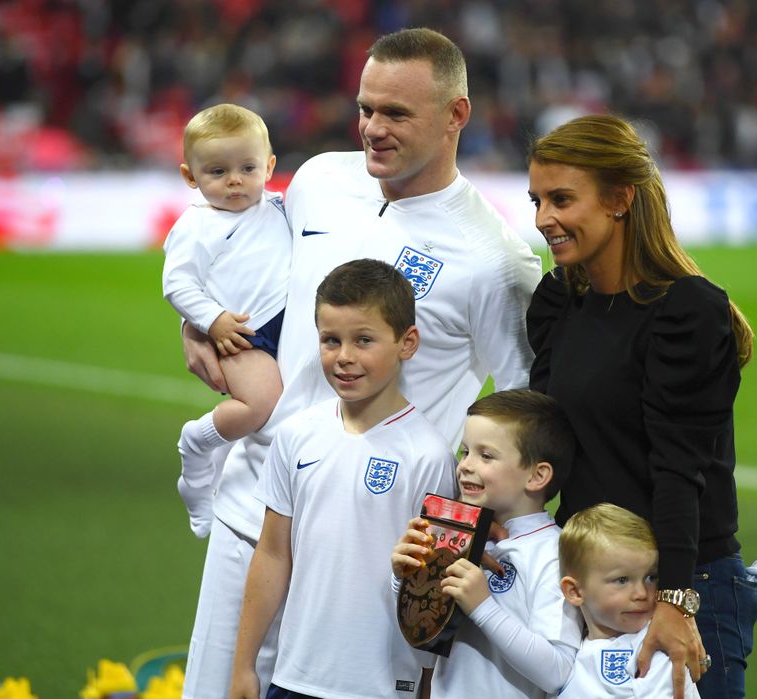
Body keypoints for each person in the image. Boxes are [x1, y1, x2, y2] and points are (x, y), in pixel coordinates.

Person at [180, 28, 541, 699]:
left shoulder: (495, 261)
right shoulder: (318, 180)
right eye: (365, 108)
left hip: (374, 551)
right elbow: (247, 258)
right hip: (253, 508)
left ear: (456, 115)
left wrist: (485, 538)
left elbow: (522, 412)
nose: (372, 128)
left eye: (396, 113)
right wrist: (196, 319)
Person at [525, 114, 757, 699]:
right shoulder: (561, 298)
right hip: (588, 588)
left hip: (683, 587)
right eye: (536, 200)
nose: (542, 220)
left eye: (561, 199)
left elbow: (678, 470)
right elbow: (543, 449)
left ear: (619, 199)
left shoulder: (686, 310)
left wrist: (676, 602)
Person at [230, 259, 457, 699]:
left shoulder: (429, 456)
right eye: (330, 340)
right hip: (293, 676)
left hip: (382, 686)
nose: (344, 357)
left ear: (407, 343)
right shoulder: (297, 434)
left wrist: (428, 688)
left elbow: (432, 590)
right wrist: (243, 665)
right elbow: (273, 554)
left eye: (364, 340)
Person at [391, 389, 583, 698]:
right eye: (465, 451)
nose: (465, 465)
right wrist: (406, 578)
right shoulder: (456, 537)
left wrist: (483, 606)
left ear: (537, 476)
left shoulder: (553, 553)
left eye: (486, 455)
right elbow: (426, 638)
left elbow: (559, 672)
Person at [162, 103, 289, 538]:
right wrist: (211, 322)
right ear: (190, 177)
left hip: (287, 328)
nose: (235, 180)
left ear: (270, 166)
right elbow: (177, 285)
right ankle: (198, 445)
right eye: (217, 171)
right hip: (241, 334)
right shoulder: (195, 226)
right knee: (260, 405)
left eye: (247, 167)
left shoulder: (282, 208)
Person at [557, 502, 702, 698]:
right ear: (574, 591)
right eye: (622, 580)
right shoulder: (567, 651)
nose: (642, 593)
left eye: (651, 577)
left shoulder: (653, 651)